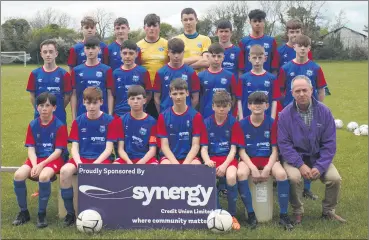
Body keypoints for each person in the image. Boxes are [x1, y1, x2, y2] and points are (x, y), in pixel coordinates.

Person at [277, 75, 346, 225]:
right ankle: (297, 212)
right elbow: (284, 145)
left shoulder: (325, 112)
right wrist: (300, 165)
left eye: (304, 90)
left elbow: (330, 144)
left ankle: (328, 211)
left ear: (311, 90)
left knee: (334, 179)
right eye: (297, 91)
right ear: (292, 93)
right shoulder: (284, 115)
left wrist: (320, 166)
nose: (301, 94)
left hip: (318, 158)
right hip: (294, 160)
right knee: (294, 178)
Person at [59, 87, 117, 226]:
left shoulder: (110, 120)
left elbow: (109, 149)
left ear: (101, 102)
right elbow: (74, 147)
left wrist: (94, 164)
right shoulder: (78, 121)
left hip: (102, 158)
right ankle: (70, 214)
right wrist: (80, 163)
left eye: (94, 103)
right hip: (82, 158)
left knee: (102, 175)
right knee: (65, 171)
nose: (91, 106)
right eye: (88, 103)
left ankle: (104, 212)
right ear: (83, 103)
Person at [238, 92, 294, 230]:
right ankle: (251, 214)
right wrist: (253, 168)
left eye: (261, 103)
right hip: (248, 159)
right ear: (249, 106)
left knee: (281, 174)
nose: (257, 106)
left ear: (267, 105)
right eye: (254, 103)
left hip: (268, 158)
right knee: (240, 174)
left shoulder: (272, 122)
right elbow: (241, 151)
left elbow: (275, 150)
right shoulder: (242, 124)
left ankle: (283, 215)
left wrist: (268, 168)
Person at [12, 92, 68, 228]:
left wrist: (41, 165)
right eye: (41, 105)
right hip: (36, 159)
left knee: (43, 177)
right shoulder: (32, 125)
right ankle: (23, 212)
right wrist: (35, 164)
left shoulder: (60, 126)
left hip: (54, 159)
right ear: (37, 108)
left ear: (54, 108)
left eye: (47, 105)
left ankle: (41, 214)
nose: (44, 108)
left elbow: (58, 151)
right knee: (18, 175)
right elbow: (31, 148)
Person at [200, 90, 241, 230]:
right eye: (218, 106)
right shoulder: (206, 123)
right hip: (211, 159)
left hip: (228, 160)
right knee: (208, 178)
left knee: (230, 177)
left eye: (225, 106)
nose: (222, 109)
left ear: (230, 106)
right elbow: (203, 149)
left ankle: (232, 214)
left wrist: (224, 166)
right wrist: (207, 161)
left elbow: (233, 150)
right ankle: (217, 212)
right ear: (213, 107)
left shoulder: (234, 123)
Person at [157, 78, 203, 165]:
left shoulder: (196, 116)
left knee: (196, 165)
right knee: (165, 165)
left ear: (187, 93)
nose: (178, 97)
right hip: (169, 158)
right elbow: (164, 146)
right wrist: (175, 164)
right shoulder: (163, 116)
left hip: (189, 158)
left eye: (181, 93)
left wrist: (185, 163)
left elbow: (196, 145)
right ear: (170, 94)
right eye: (175, 94)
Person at [26, 39, 72, 125]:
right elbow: (32, 97)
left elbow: (67, 97)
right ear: (41, 54)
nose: (48, 55)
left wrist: (58, 109)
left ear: (56, 54)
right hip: (40, 117)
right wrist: (39, 109)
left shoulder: (64, 74)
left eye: (51, 52)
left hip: (59, 117)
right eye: (45, 52)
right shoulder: (34, 74)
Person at [70, 36, 114, 121]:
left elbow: (110, 94)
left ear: (99, 49)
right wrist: (74, 117)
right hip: (82, 114)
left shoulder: (107, 70)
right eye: (88, 48)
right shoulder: (76, 70)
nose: (90, 51)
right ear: (84, 50)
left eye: (93, 48)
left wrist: (110, 115)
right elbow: (74, 95)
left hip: (102, 114)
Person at [277, 34, 327, 109]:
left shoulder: (316, 68)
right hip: (290, 110)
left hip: (311, 110)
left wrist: (317, 107)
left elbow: (321, 90)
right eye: (300, 46)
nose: (303, 48)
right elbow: (280, 91)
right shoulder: (285, 68)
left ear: (309, 48)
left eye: (305, 46)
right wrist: (286, 105)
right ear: (294, 47)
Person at [113, 85, 158, 164]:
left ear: (144, 100)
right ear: (128, 101)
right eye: (132, 98)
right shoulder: (121, 120)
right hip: (127, 158)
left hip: (145, 158)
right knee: (115, 165)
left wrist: (142, 162)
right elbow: (120, 149)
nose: (135, 101)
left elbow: (152, 150)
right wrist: (128, 161)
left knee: (154, 166)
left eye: (138, 98)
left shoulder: (152, 122)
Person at [153, 38, 200, 113]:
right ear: (168, 53)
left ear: (183, 52)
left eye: (179, 52)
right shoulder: (161, 72)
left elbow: (195, 98)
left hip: (186, 115)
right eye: (173, 53)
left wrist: (188, 112)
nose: (176, 56)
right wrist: (162, 113)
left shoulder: (191, 72)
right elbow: (156, 97)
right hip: (166, 115)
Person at [137, 13, 169, 119]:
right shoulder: (138, 46)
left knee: (163, 118)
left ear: (159, 27)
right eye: (148, 25)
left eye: (154, 25)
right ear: (144, 28)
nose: (151, 28)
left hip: (163, 88)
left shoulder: (167, 44)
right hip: (145, 89)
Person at [198, 43, 241, 119]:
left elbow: (234, 98)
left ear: (223, 57)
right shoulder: (200, 76)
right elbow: (197, 99)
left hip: (226, 119)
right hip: (205, 118)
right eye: (213, 56)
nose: (216, 59)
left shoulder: (230, 76)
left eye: (219, 56)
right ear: (208, 57)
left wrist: (232, 116)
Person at [238, 44, 281, 120]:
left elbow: (274, 101)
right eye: (254, 58)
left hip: (266, 120)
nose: (257, 61)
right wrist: (241, 119)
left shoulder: (272, 78)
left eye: (260, 58)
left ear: (265, 58)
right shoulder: (243, 78)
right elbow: (239, 100)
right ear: (249, 58)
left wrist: (272, 119)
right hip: (247, 120)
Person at [112, 40, 152, 118]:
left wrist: (141, 106)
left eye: (131, 53)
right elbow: (112, 95)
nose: (127, 56)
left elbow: (148, 93)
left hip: (138, 114)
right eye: (124, 53)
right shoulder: (115, 73)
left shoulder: (143, 71)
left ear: (136, 54)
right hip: (119, 114)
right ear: (120, 54)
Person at [238, 9, 279, 75]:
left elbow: (275, 67)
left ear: (264, 22)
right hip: (248, 81)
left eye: (260, 21)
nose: (257, 23)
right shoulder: (243, 42)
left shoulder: (271, 41)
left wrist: (273, 80)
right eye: (255, 21)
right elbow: (240, 68)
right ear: (250, 22)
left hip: (266, 81)